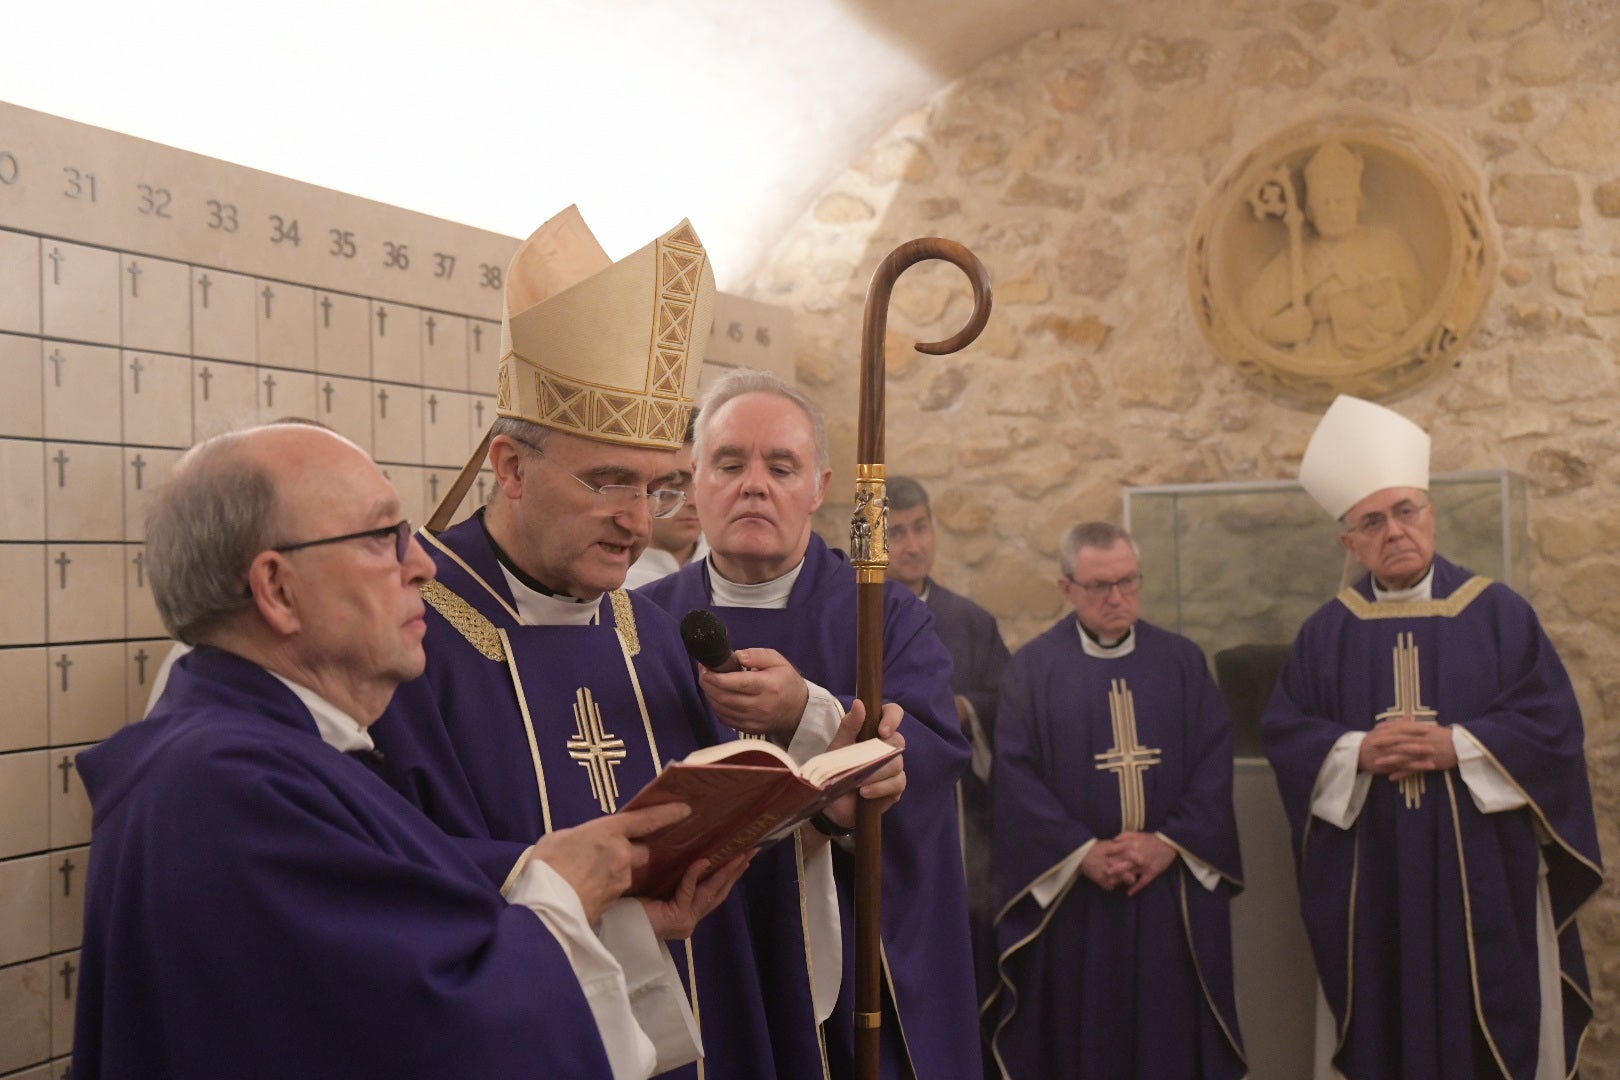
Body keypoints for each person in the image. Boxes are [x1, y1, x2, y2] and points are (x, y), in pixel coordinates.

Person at [371, 208, 903, 1080]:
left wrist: (816, 814)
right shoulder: (410, 636)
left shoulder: (651, 635)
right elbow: (390, 881)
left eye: (658, 489)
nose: (636, 523)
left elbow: (728, 873)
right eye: (607, 481)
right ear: (508, 466)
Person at [74, 422, 703, 1079]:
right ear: (277, 589)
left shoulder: (256, 757)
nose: (424, 565)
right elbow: (430, 1035)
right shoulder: (229, 787)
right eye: (382, 539)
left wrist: (599, 903)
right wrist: (564, 893)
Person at [637, 369, 979, 1080]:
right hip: (701, 948)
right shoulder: (644, 623)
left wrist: (805, 714)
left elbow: (930, 758)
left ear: (819, 488)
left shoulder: (883, 616)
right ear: (693, 478)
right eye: (730, 463)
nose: (753, 484)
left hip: (847, 957)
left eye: (780, 466)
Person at [1262, 394, 1603, 1080]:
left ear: (1432, 514)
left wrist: (1462, 746)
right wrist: (1356, 751)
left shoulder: (1500, 616)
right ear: (1349, 541)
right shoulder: (1326, 635)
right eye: (1373, 521)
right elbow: (1288, 733)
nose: (1395, 531)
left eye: (1406, 510)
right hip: (1374, 878)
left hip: (1484, 875)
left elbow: (1553, 729)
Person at [985, 521, 1246, 1079]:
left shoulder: (1181, 662)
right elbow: (1015, 775)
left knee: (1170, 1040)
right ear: (1066, 589)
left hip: (1165, 893)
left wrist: (1168, 843)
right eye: (1101, 585)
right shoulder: (1033, 670)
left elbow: (1212, 761)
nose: (1118, 598)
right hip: (1076, 900)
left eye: (1129, 582)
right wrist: (1082, 853)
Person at [884, 475, 1009, 1008]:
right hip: (883, 813)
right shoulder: (859, 613)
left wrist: (964, 710)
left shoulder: (970, 621)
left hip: (960, 822)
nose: (913, 545)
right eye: (896, 533)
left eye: (921, 528)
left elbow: (1008, 705)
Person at [1240, 139, 1424, 360]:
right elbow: (1252, 314)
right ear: (1311, 211)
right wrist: (1275, 330)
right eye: (1324, 202)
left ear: (1357, 203)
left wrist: (1341, 306)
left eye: (1341, 201)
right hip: (1314, 364)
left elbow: (1415, 308)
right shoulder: (1297, 255)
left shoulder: (1385, 245)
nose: (1333, 209)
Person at [624, 411, 706, 589]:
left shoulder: (736, 570)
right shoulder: (614, 581)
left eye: (702, 480)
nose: (695, 501)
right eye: (675, 482)